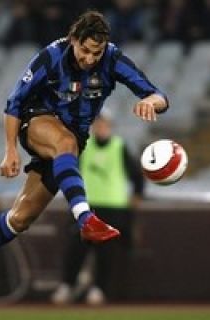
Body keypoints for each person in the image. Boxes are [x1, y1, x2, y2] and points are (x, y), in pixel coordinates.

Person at [0, 10, 168, 300]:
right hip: (36, 121)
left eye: (96, 53)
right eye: (85, 50)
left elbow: (160, 96)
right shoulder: (51, 56)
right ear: (74, 40)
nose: (90, 58)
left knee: (20, 218)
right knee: (65, 140)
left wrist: (150, 101)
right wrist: (10, 150)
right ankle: (85, 218)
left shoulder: (112, 58)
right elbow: (14, 104)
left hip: (69, 146)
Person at [51, 109, 144, 305]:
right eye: (98, 123)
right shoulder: (84, 147)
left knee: (106, 253)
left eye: (104, 123)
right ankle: (68, 285)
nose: (101, 127)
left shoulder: (120, 147)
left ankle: (99, 288)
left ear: (110, 126)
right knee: (75, 248)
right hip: (87, 207)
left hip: (114, 207)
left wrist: (136, 196)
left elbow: (137, 174)